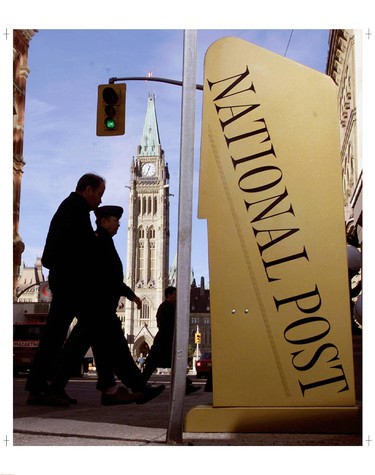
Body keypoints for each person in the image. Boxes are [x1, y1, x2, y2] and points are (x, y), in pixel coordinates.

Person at [49, 205, 165, 405]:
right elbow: (102, 276)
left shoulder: (104, 241)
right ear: (103, 221)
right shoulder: (97, 241)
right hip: (97, 306)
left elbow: (110, 277)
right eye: (115, 220)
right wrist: (127, 294)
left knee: (94, 348)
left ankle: (108, 390)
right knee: (114, 348)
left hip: (98, 306)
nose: (118, 224)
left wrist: (130, 295)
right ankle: (135, 387)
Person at [26, 173, 106, 405]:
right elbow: (69, 250)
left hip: (69, 281)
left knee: (57, 334)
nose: (99, 201)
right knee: (84, 328)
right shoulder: (75, 209)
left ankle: (44, 387)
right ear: (88, 190)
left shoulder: (73, 208)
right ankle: (49, 387)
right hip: (72, 282)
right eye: (99, 194)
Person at [142, 286, 200, 394]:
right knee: (155, 364)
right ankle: (139, 385)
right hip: (164, 341)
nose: (176, 296)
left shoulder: (168, 306)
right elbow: (166, 324)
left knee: (172, 363)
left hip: (165, 340)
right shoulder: (166, 307)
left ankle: (186, 385)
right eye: (175, 294)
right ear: (169, 295)